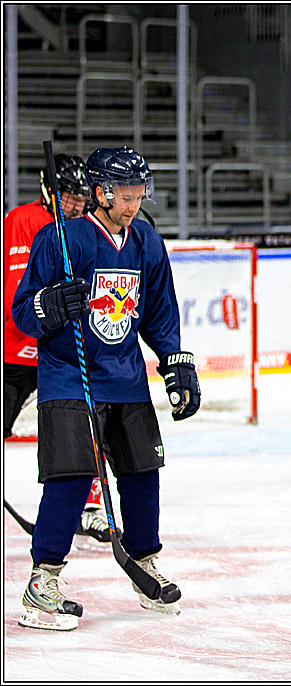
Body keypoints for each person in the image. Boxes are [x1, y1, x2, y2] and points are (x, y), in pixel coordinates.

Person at [11, 146, 201, 630]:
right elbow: (22, 311)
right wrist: (51, 304)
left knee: (142, 472)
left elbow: (159, 314)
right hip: (69, 376)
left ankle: (144, 560)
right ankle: (43, 579)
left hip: (126, 377)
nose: (135, 203)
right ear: (101, 192)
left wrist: (176, 362)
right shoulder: (61, 239)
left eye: (141, 193)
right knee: (71, 477)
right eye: (127, 194)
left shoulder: (146, 241)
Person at [3, 154, 113, 549]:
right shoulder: (21, 221)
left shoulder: (88, 229)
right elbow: (17, 295)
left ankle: (87, 507)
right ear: (48, 189)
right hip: (17, 353)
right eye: (67, 196)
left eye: (81, 197)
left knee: (83, 431)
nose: (76, 204)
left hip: (66, 355)